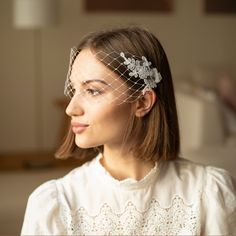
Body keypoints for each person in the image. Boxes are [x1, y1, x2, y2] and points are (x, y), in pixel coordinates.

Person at [21, 26, 236, 235]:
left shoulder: (208, 192)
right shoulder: (57, 203)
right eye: (74, 90)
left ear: (142, 102)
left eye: (93, 91)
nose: (71, 108)